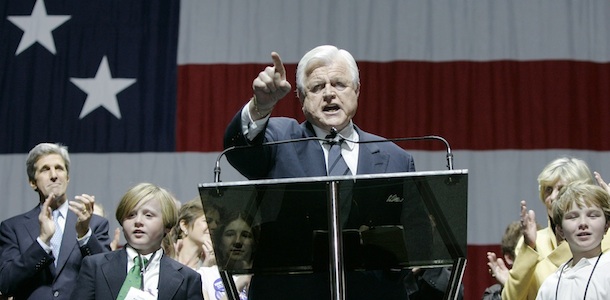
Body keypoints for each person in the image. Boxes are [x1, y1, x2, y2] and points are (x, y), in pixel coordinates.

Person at [223, 45, 437, 299]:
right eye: (317, 87)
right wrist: (260, 106)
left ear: (357, 91)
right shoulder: (279, 140)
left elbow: (419, 237)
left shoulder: (395, 157)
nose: (329, 94)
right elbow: (238, 150)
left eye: (339, 84)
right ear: (301, 99)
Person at [486, 157, 610, 299]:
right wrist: (529, 247)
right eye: (548, 190)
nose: (553, 197)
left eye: (562, 189)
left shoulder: (607, 236)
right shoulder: (533, 244)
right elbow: (511, 298)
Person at [0, 143, 111, 299]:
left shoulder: (94, 224)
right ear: (32, 182)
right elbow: (5, 284)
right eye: (45, 169)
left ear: (67, 177)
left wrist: (85, 234)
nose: (54, 175)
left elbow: (108, 277)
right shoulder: (13, 228)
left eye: (59, 168)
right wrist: (42, 242)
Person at [69, 183, 203, 299]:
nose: (138, 221)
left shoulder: (188, 279)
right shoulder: (95, 267)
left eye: (148, 215)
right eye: (131, 215)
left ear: (167, 225)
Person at [536, 182, 610, 299]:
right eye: (573, 217)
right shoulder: (550, 285)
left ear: (606, 226)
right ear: (560, 230)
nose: (583, 223)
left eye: (592, 215)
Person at [482, 221, 526, 300]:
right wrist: (509, 289)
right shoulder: (493, 295)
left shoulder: (549, 283)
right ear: (509, 258)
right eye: (526, 252)